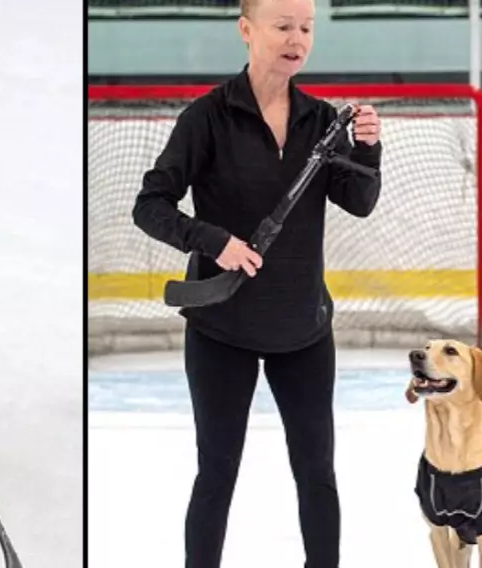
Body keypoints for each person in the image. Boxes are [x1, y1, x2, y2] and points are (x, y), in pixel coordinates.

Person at [130, 0, 383, 566]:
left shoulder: (322, 122)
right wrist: (212, 241)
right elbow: (149, 205)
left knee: (317, 473)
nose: (296, 39)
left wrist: (368, 147)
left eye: (306, 28)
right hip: (222, 330)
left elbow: (359, 201)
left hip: (304, 331)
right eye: (282, 26)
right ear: (247, 31)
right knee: (216, 473)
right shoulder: (206, 119)